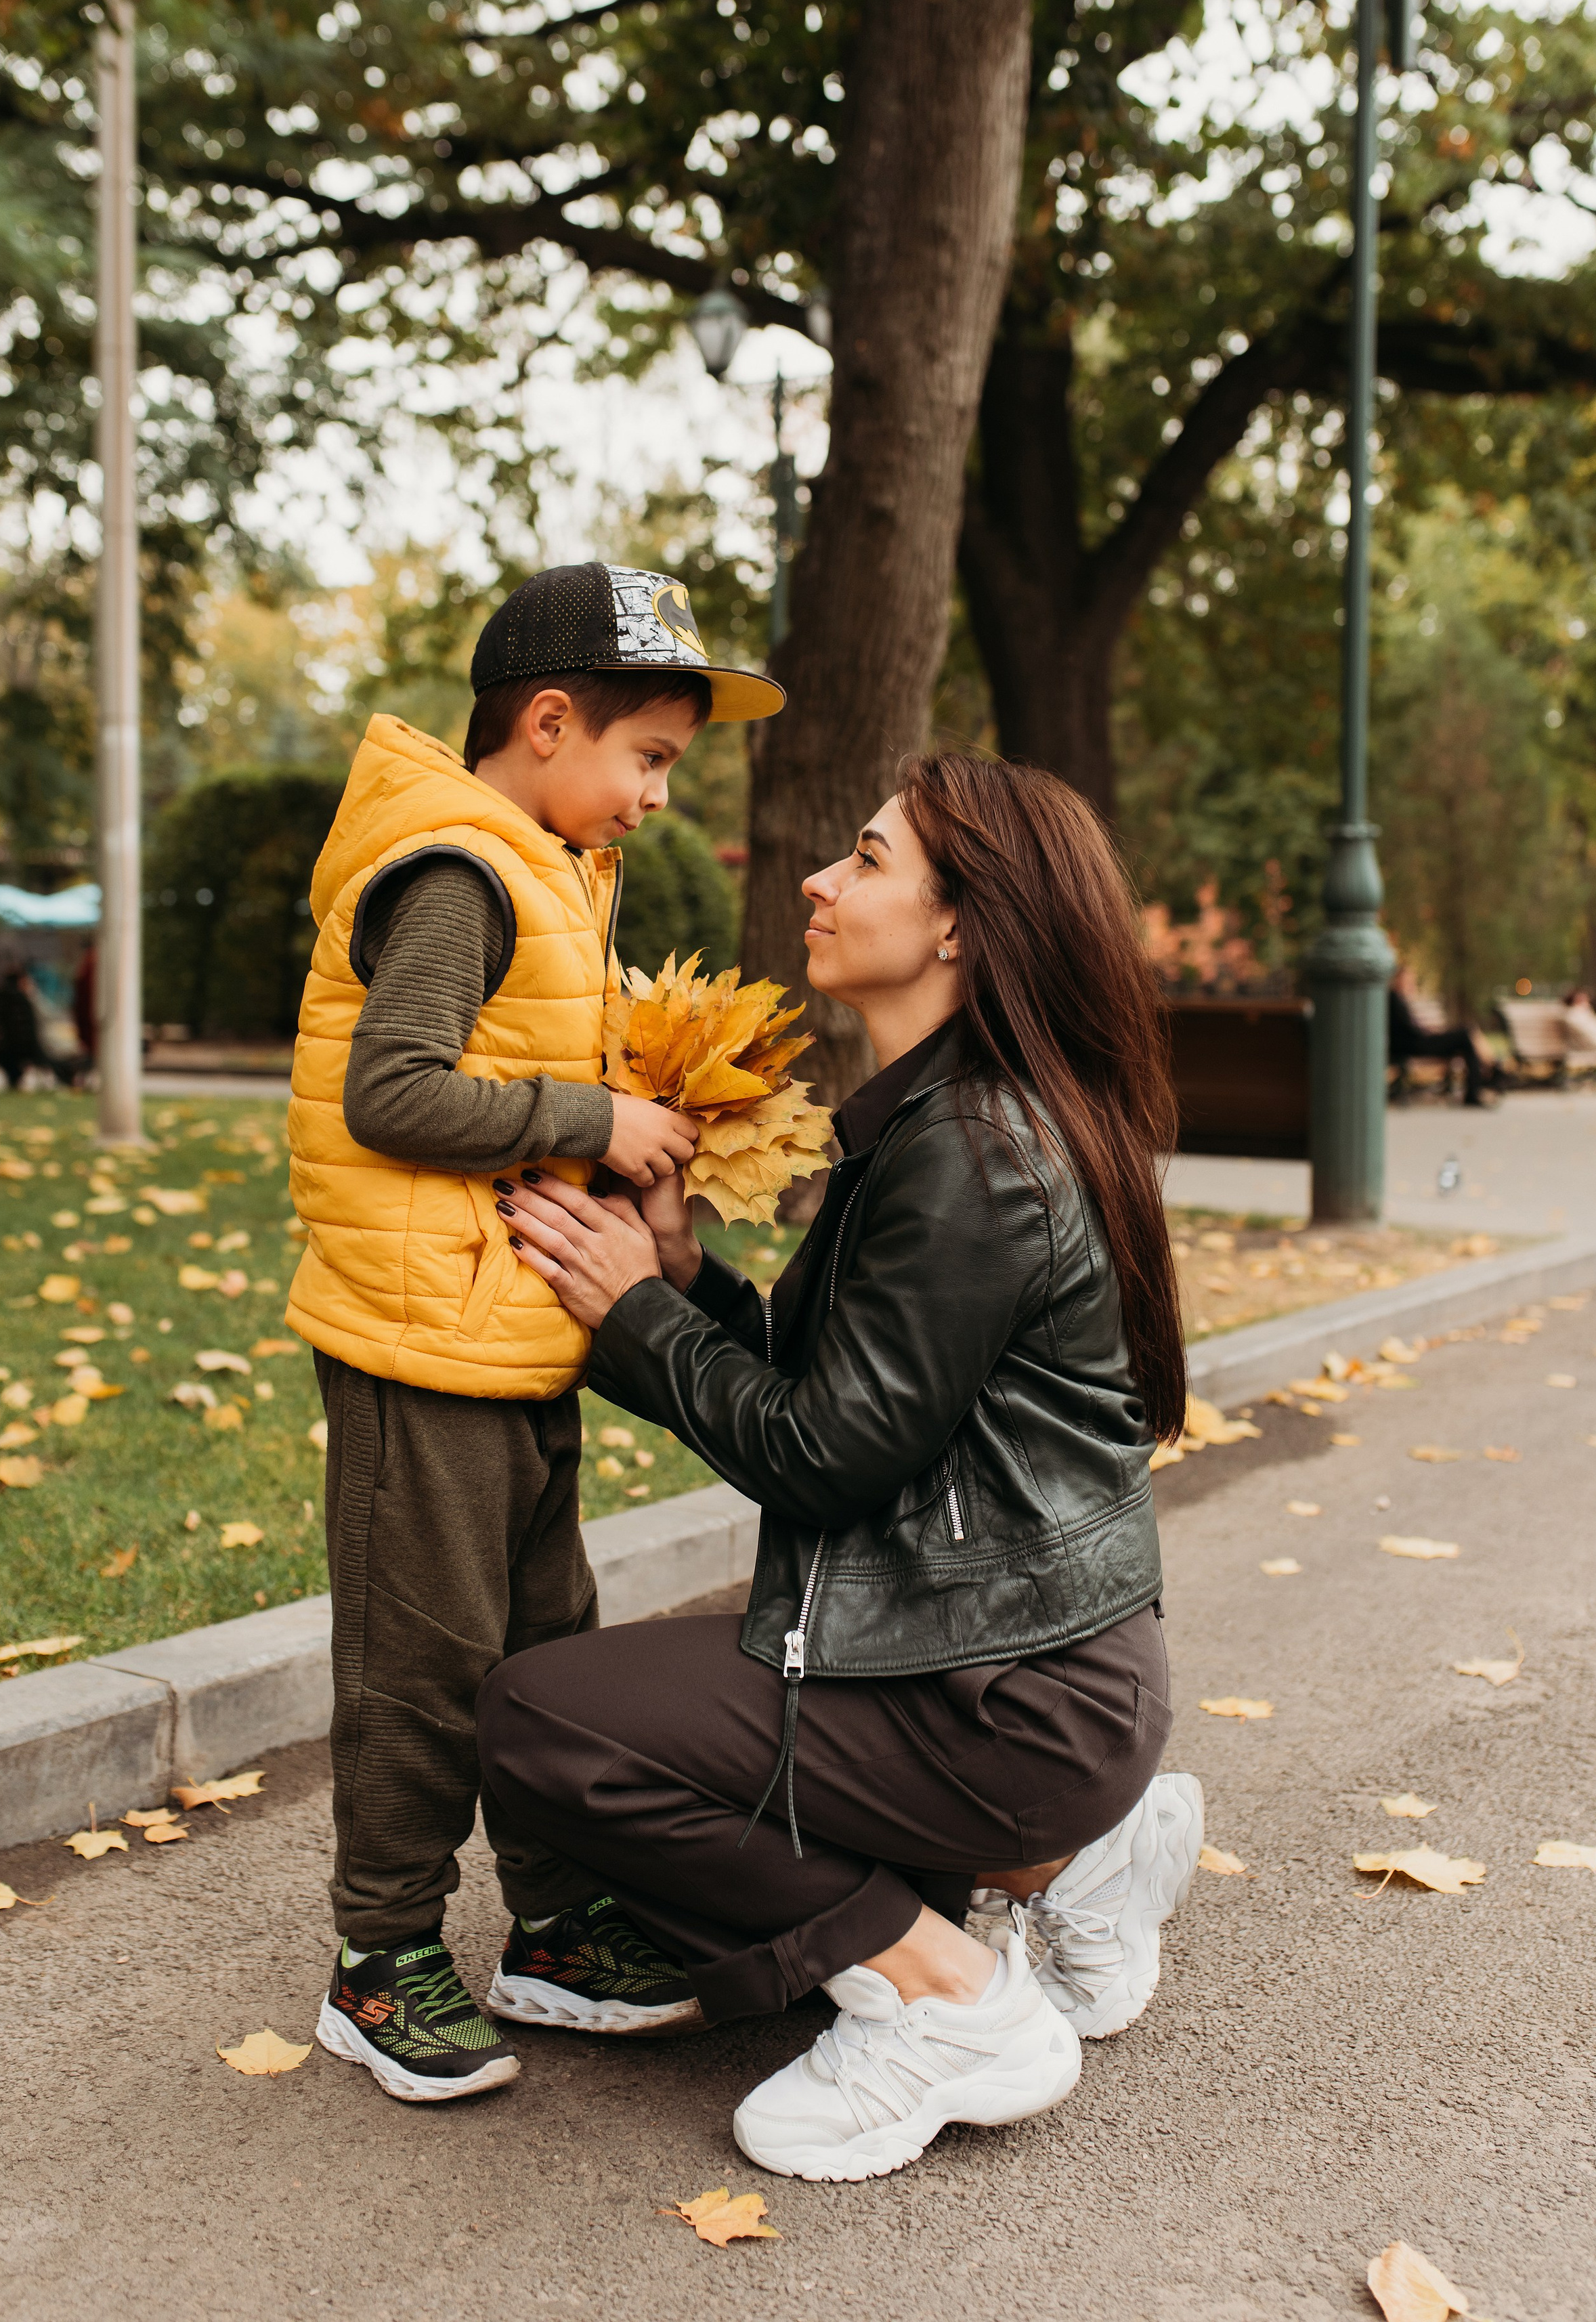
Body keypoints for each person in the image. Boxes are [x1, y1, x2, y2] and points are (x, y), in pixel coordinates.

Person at [478, 753, 1206, 2185]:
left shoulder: (972, 1153)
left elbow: (822, 1458)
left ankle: (950, 2003)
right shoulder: (953, 1117)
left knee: (540, 1728)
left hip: (1002, 1699)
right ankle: (1064, 1868)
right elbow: (863, 1399)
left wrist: (628, 1310)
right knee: (753, 1879)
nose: (816, 880)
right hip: (1025, 1677)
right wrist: (683, 1278)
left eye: (864, 859)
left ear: (956, 926)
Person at [288, 561, 783, 2105]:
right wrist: (597, 1112)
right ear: (549, 720)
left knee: (544, 1649)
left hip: (511, 1324)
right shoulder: (460, 870)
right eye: (647, 758)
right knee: (423, 1665)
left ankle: (558, 1928)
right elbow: (395, 1090)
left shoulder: (548, 866)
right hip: (415, 1333)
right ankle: (380, 1960)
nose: (653, 797)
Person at [1387, 964, 1496, 1106]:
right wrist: (1430, 1032)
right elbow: (1409, 1031)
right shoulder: (1394, 998)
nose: (1411, 982)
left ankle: (1480, 1085)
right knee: (1466, 1034)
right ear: (1398, 979)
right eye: (1408, 979)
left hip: (1418, 1042)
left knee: (1467, 1037)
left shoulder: (1399, 999)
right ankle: (1490, 1075)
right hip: (1415, 1045)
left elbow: (1410, 1028)